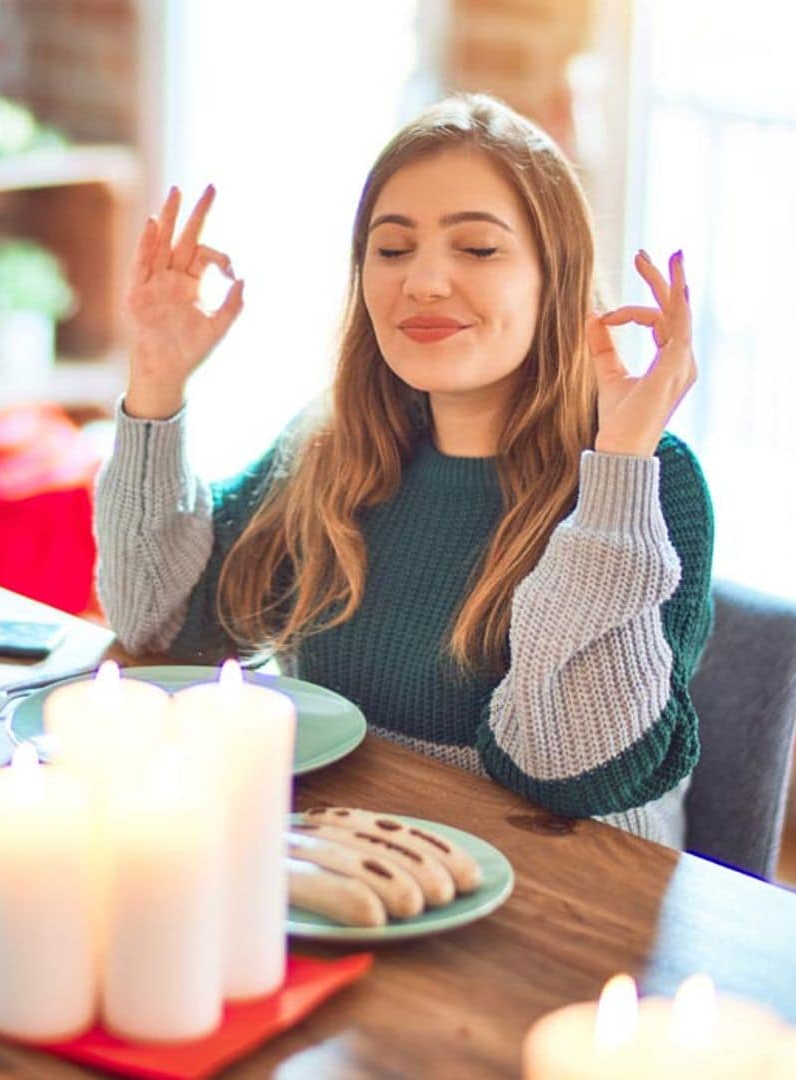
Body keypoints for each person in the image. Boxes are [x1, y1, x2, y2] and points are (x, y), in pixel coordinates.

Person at [92, 93, 713, 845]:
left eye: (477, 249)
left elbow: (568, 770)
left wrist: (617, 467)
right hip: (346, 865)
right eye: (391, 251)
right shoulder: (334, 447)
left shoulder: (651, 479)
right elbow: (158, 622)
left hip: (559, 908)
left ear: (557, 277)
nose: (421, 283)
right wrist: (157, 378)